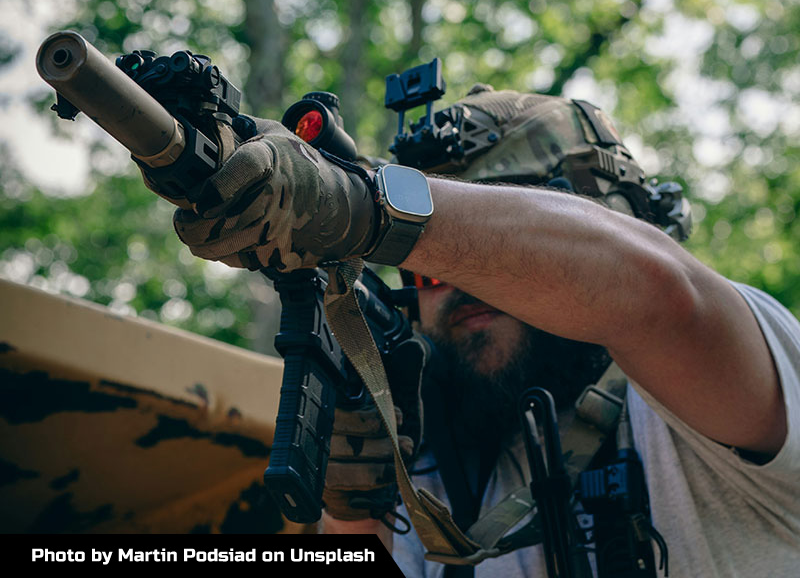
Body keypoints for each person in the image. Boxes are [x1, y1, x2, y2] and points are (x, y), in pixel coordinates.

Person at [144, 84, 800, 577]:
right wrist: (353, 506)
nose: (455, 284)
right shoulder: (430, 462)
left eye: (495, 259)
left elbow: (656, 294)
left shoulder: (722, 379)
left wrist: (363, 205)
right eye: (425, 271)